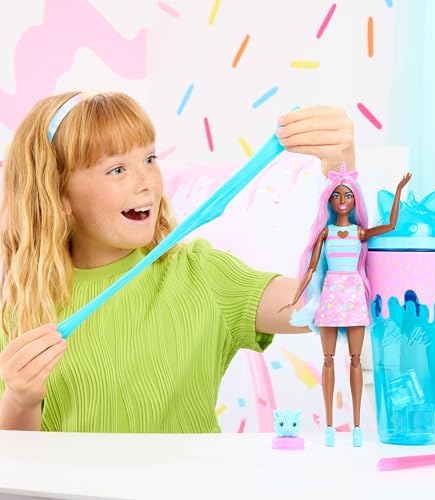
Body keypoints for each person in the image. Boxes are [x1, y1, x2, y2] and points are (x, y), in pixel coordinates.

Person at [0, 91, 356, 432]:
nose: (146, 182)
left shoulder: (202, 274)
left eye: (149, 159)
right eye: (117, 169)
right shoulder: (20, 306)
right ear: (59, 194)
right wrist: (20, 399)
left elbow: (333, 303)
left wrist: (341, 175)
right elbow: (16, 460)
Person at [280, 165, 411, 446]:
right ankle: (329, 426)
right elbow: (312, 268)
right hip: (330, 295)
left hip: (353, 295)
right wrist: (295, 297)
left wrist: (398, 191)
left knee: (355, 360)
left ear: (355, 200)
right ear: (329, 200)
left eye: (348, 195)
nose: (342, 200)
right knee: (327, 360)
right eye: (337, 195)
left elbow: (391, 226)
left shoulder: (359, 232)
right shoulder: (325, 233)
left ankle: (357, 427)